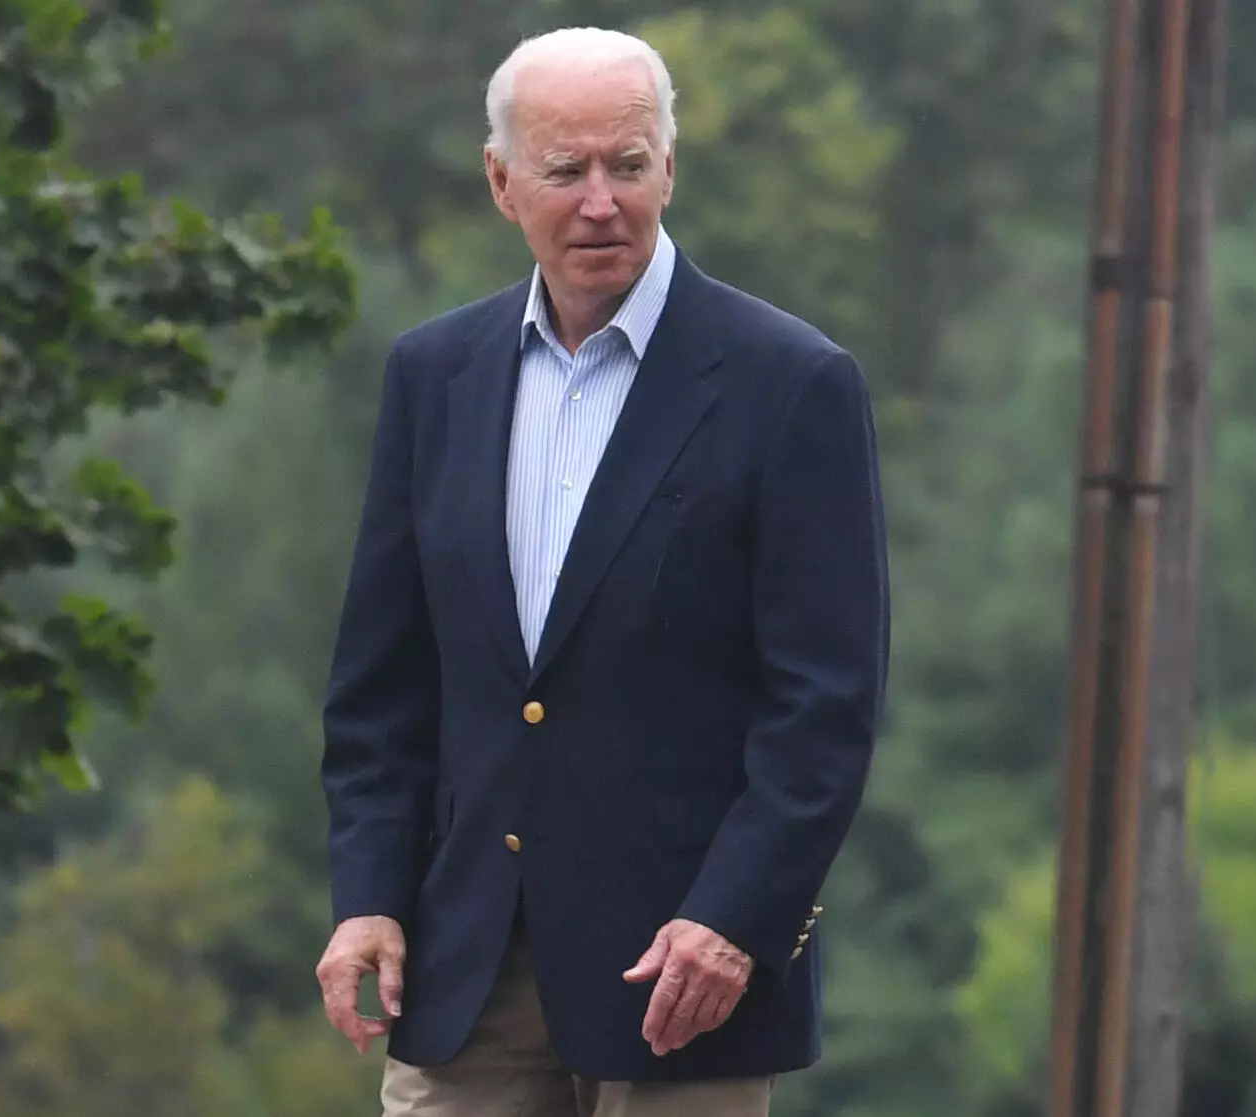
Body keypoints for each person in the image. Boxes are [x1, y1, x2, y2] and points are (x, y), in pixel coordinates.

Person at [315, 25, 890, 1117]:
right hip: (463, 964)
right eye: (564, 169)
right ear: (500, 181)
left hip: (679, 980)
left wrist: (734, 919)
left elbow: (825, 705)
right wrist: (368, 897)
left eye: (626, 165)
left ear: (669, 168)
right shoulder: (433, 376)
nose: (599, 201)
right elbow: (382, 688)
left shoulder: (791, 384)